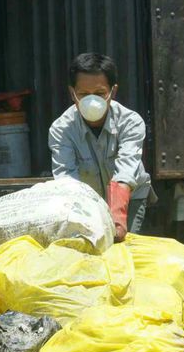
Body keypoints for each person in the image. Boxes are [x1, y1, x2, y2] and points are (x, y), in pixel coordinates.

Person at [48, 53, 153, 242]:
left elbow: (126, 171)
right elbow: (66, 180)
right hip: (88, 203)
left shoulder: (131, 122)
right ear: (73, 93)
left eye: (99, 94)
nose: (92, 101)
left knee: (124, 245)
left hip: (130, 199)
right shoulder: (61, 129)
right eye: (83, 94)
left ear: (112, 92)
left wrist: (118, 218)